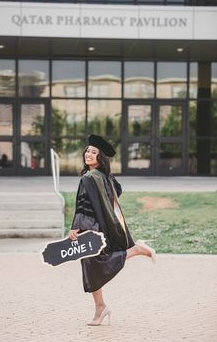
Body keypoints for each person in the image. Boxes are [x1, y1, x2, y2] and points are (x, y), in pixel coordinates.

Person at [68, 134, 156, 326]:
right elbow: (116, 192)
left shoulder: (89, 178)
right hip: (105, 227)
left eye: (94, 152)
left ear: (100, 158)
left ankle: (136, 250)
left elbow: (83, 206)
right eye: (87, 151)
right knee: (91, 267)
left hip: (92, 228)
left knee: (95, 264)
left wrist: (76, 227)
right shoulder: (104, 177)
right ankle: (100, 308)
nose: (89, 154)